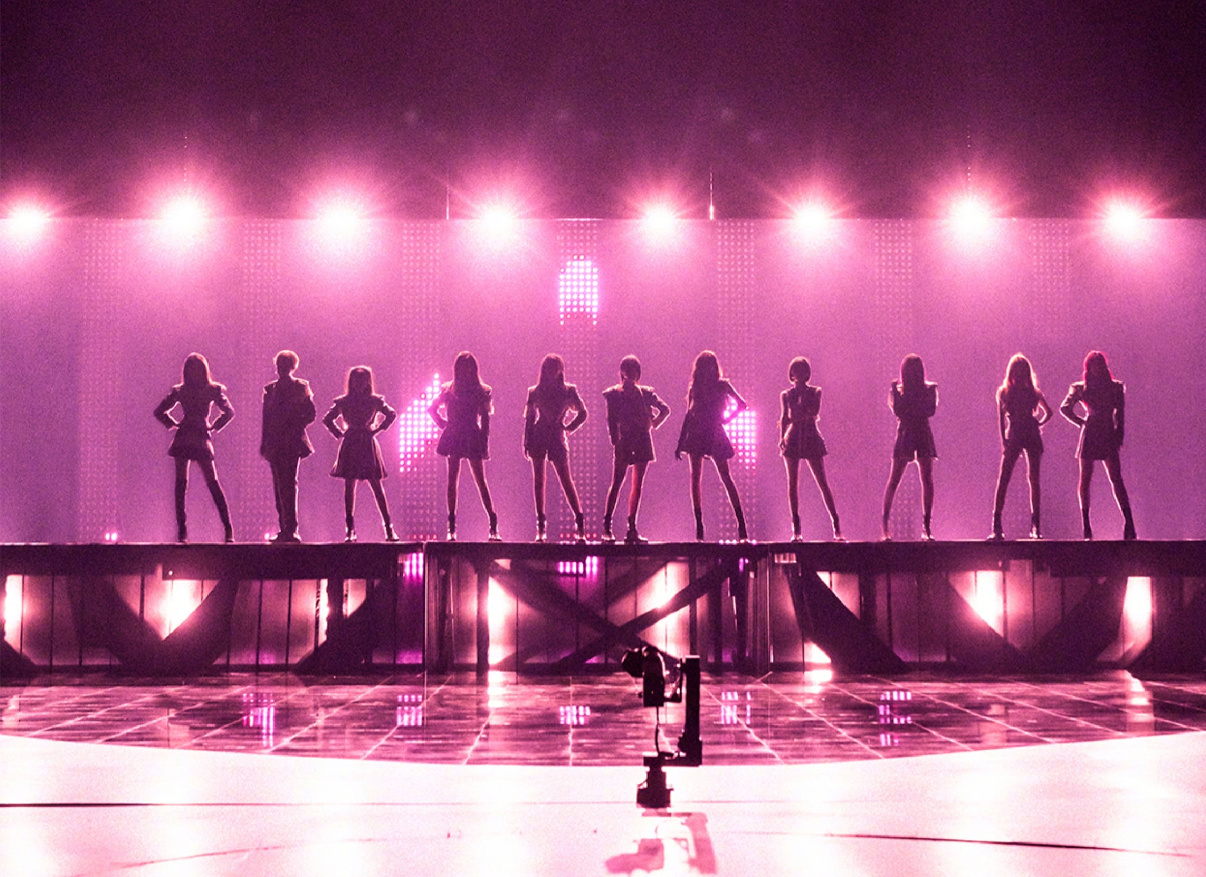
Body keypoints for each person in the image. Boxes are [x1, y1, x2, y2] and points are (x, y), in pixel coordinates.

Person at [153, 353, 234, 543]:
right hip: (200, 436)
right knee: (212, 484)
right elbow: (229, 412)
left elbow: (159, 411)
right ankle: (228, 529)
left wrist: (173, 423)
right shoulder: (212, 389)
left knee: (181, 486)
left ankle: (182, 532)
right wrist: (214, 425)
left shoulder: (181, 390)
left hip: (185, 436)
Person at [1060, 350, 1136, 540]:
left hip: (1106, 431)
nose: (1097, 369)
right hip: (1093, 430)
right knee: (1086, 480)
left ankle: (1129, 523)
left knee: (1115, 478)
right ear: (1089, 368)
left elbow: (1120, 414)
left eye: (1100, 365)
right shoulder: (1082, 388)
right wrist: (1081, 422)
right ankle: (1086, 526)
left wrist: (1119, 434)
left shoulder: (1115, 387)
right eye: (1094, 365)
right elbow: (1065, 408)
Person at [675, 351, 749, 541]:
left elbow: (742, 404)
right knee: (697, 479)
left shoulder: (721, 385)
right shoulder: (696, 388)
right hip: (698, 433)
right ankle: (700, 527)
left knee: (724, 477)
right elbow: (688, 415)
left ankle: (741, 524)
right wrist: (680, 442)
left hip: (712, 432)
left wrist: (725, 420)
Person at [322, 366, 398, 542]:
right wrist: (339, 433)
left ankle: (388, 528)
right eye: (356, 380)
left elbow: (391, 414)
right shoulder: (344, 402)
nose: (359, 384)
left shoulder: (373, 401)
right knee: (350, 487)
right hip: (353, 442)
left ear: (368, 382)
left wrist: (377, 430)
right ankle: (350, 529)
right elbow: (327, 419)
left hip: (365, 442)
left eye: (362, 380)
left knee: (376, 486)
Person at [429, 351, 499, 541]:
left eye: (469, 367)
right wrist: (443, 424)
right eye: (462, 367)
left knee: (480, 481)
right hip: (455, 434)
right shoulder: (449, 389)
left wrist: (484, 440)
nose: (466, 371)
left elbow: (485, 419)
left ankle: (493, 524)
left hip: (470, 434)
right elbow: (432, 408)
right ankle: (452, 527)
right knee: (452, 481)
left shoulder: (482, 390)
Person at [602, 355, 671, 543]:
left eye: (634, 369)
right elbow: (611, 421)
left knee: (636, 485)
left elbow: (665, 409)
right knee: (617, 482)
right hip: (625, 441)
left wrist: (654, 423)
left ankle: (631, 528)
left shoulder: (646, 393)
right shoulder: (614, 394)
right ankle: (607, 526)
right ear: (622, 371)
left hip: (641, 439)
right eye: (628, 369)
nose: (631, 373)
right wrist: (615, 442)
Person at [523, 354, 588, 542]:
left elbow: (583, 413)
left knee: (566, 480)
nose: (551, 372)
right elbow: (529, 419)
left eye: (554, 368)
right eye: (548, 368)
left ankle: (579, 521)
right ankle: (541, 526)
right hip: (539, 436)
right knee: (539, 482)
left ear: (560, 370)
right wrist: (526, 441)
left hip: (557, 437)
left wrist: (570, 427)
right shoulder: (535, 391)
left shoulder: (568, 390)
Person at [989, 354, 1052, 540]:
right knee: (1015, 479)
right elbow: (1048, 413)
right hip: (1021, 433)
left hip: (1021, 433)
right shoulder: (1009, 392)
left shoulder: (1020, 392)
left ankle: (1030, 526)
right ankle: (1004, 525)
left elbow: (1049, 412)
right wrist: (1005, 440)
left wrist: (1005, 439)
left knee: (1024, 479)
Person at [779, 357, 842, 541]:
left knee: (822, 482)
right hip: (792, 438)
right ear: (791, 373)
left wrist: (798, 414)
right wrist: (781, 437)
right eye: (796, 370)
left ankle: (836, 525)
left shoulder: (815, 391)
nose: (799, 374)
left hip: (810, 436)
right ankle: (796, 530)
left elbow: (813, 412)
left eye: (802, 370)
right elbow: (785, 417)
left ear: (807, 373)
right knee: (792, 485)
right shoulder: (786, 395)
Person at [260, 350, 316, 542]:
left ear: (291, 367)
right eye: (279, 365)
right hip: (275, 442)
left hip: (291, 442)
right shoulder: (270, 389)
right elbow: (266, 418)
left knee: (289, 485)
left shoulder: (301, 387)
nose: (280, 368)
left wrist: (294, 424)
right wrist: (265, 443)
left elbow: (310, 414)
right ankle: (285, 528)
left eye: (284, 365)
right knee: (279, 486)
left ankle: (291, 529)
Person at [881, 354, 938, 541]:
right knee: (896, 479)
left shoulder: (928, 390)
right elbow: (899, 410)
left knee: (925, 479)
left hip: (919, 432)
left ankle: (926, 526)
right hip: (908, 433)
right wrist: (897, 393)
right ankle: (885, 525)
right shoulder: (899, 391)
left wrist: (908, 404)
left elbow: (929, 410)